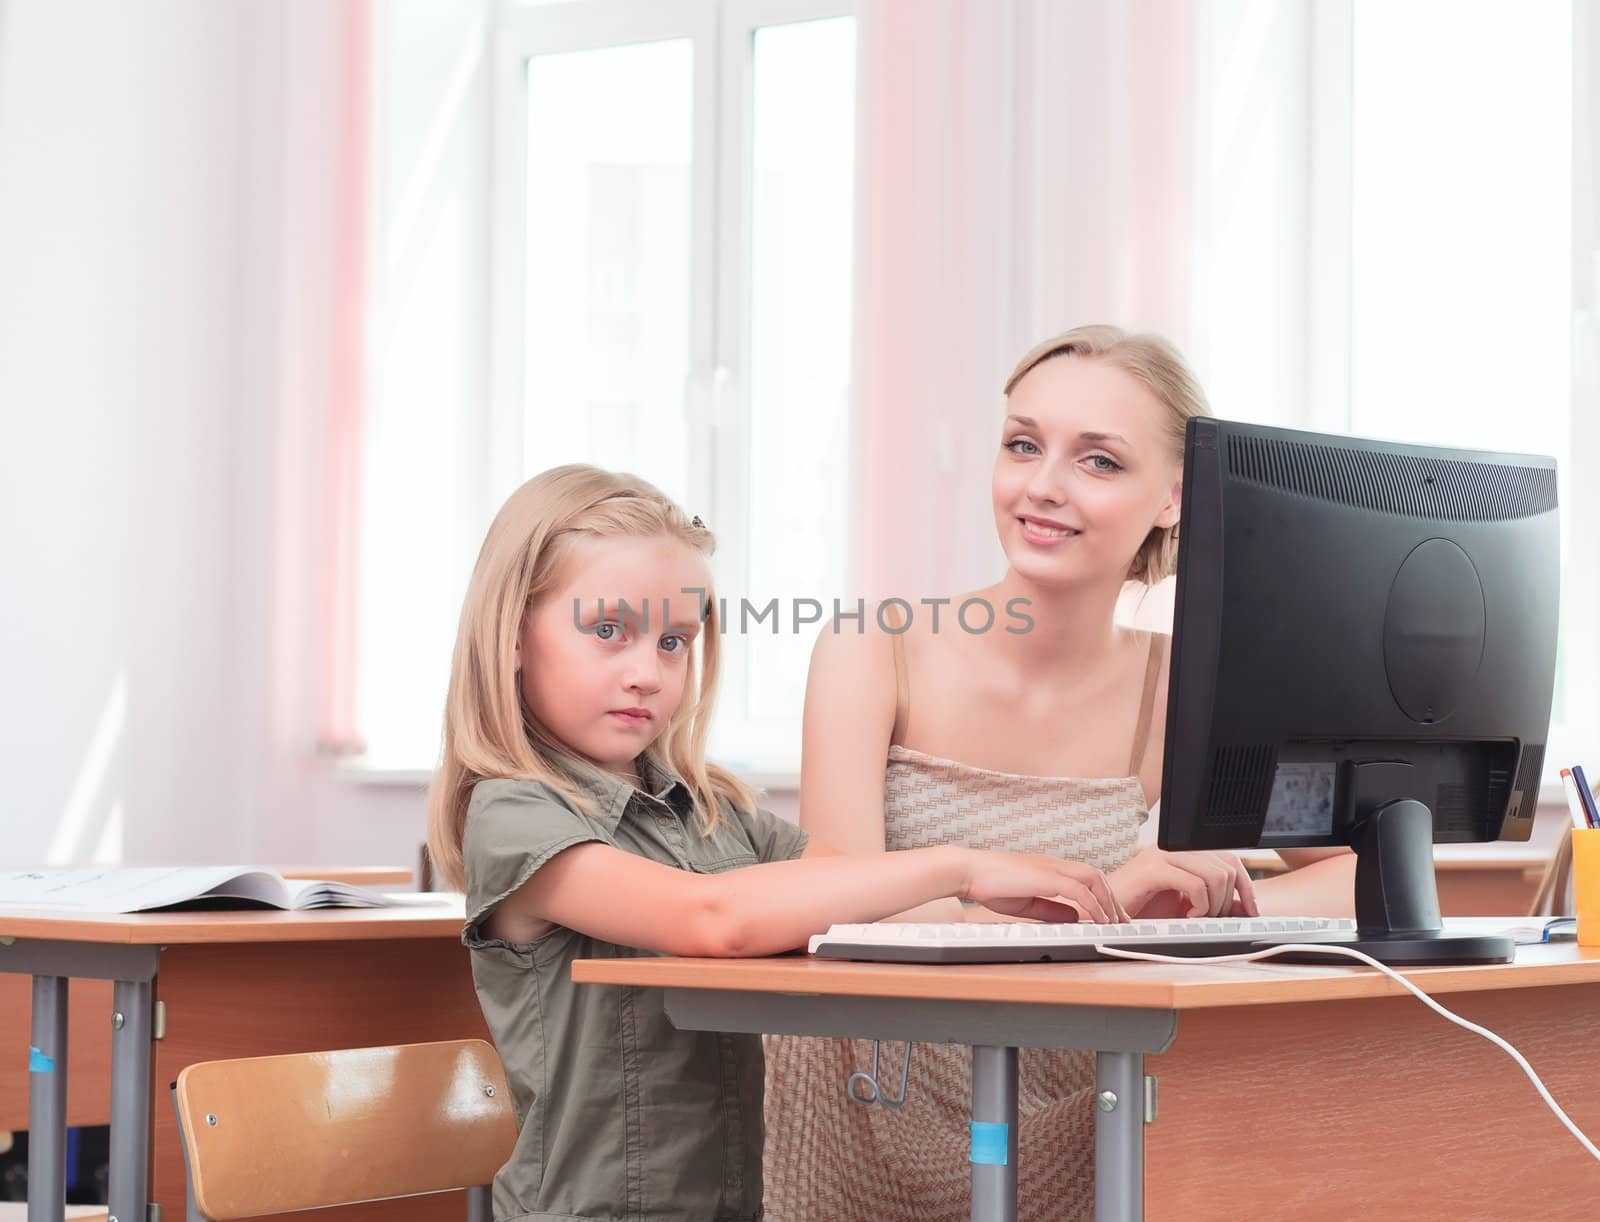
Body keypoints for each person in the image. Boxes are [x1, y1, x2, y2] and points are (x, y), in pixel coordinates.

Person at [425, 462, 1129, 1222]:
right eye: (607, 630)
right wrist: (958, 862)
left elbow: (877, 907)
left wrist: (1091, 901)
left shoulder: (715, 811)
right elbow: (712, 920)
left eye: (672, 642)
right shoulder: (514, 815)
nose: (646, 673)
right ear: (514, 635)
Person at [763, 324, 1357, 1221]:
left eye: (1100, 462)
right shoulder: (873, 647)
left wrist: (1177, 918)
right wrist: (1108, 898)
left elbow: (1370, 871)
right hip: (872, 1100)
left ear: (1174, 498)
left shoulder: (1179, 685)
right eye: (1023, 445)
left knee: (1276, 1116)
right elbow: (843, 903)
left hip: (1078, 1093)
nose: (1042, 486)